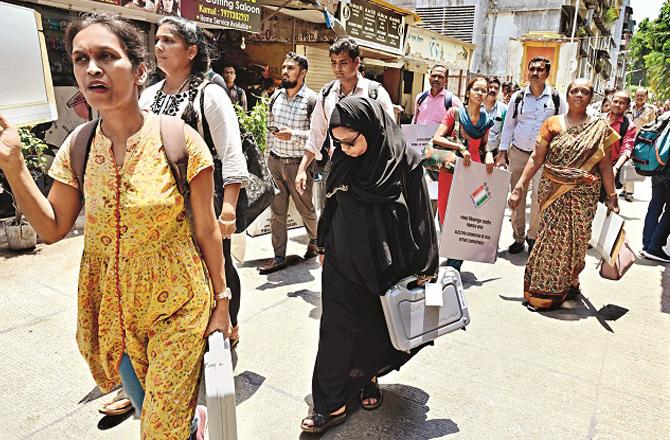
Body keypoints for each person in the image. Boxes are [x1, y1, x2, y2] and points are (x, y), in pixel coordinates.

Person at [0, 13, 229, 439]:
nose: (91, 69)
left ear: (139, 71)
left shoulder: (179, 140)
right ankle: (190, 425)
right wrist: (14, 167)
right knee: (149, 408)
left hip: (177, 305)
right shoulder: (79, 145)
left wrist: (222, 301)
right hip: (111, 310)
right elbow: (52, 228)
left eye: (106, 56)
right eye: (81, 59)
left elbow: (207, 230)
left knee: (158, 430)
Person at [300, 97, 438, 434]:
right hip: (342, 259)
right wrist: (323, 242)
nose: (345, 149)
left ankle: (369, 379)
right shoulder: (343, 160)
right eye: (339, 142)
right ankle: (329, 404)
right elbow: (329, 203)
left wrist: (426, 266)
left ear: (372, 130)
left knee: (375, 327)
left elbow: (422, 215)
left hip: (385, 263)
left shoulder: (404, 161)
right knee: (335, 328)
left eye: (351, 141)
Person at [139, 16, 248, 350]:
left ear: (191, 51)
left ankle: (226, 322)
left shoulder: (209, 94)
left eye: (169, 41)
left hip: (203, 199)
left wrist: (228, 208)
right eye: (157, 40)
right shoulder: (148, 96)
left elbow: (231, 152)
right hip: (160, 203)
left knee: (216, 264)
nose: (159, 47)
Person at [508, 79, 620, 311]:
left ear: (592, 97)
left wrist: (612, 195)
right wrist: (519, 186)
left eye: (585, 92)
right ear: (567, 95)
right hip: (552, 191)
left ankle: (570, 282)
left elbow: (606, 165)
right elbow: (536, 158)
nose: (579, 95)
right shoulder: (552, 123)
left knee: (577, 242)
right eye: (574, 91)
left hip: (584, 196)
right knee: (548, 241)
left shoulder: (599, 129)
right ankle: (543, 293)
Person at [295, 37, 395, 194]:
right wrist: (302, 169)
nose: (337, 69)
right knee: (334, 216)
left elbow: (390, 136)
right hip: (337, 166)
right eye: (333, 63)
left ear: (356, 62)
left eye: (343, 63)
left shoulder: (375, 93)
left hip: (370, 169)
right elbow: (316, 134)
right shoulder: (326, 94)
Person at [496, 57, 568, 255]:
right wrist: (502, 152)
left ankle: (533, 236)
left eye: (540, 70)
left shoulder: (555, 97)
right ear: (527, 72)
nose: (535, 73)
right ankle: (518, 237)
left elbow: (564, 126)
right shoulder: (518, 97)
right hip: (518, 153)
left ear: (547, 74)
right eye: (532, 69)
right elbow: (509, 125)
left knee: (538, 198)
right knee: (516, 198)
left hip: (543, 158)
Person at [259, 52, 319, 274]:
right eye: (283, 67)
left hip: (298, 165)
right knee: (277, 211)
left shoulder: (312, 100)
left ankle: (317, 242)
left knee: (306, 210)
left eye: (290, 68)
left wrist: (292, 134)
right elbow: (269, 128)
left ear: (302, 73)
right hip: (275, 162)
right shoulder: (276, 97)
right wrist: (267, 160)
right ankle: (278, 256)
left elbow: (317, 135)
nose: (284, 71)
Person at [430, 76, 494, 272]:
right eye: (476, 89)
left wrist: (490, 155)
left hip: (473, 171)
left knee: (468, 214)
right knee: (446, 211)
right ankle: (450, 254)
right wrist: (460, 146)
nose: (480, 93)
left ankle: (455, 264)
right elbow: (437, 137)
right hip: (451, 169)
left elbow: (484, 145)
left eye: (484, 90)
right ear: (468, 92)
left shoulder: (485, 120)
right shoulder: (454, 113)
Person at [600, 91, 636, 202]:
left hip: (609, 170)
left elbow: (626, 149)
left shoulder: (629, 126)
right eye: (615, 101)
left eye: (622, 103)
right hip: (590, 166)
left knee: (601, 203)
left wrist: (615, 168)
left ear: (628, 107)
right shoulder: (598, 119)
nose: (617, 105)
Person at [482, 76, 507, 160]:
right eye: (490, 87)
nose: (493, 90)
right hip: (474, 151)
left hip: (493, 154)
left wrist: (500, 154)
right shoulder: (477, 105)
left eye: (496, 88)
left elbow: (505, 132)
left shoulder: (503, 109)